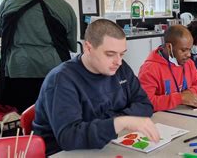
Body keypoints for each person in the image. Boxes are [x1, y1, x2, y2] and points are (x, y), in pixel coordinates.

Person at [33, 19, 160, 155]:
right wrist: (118, 123)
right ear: (88, 48)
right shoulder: (61, 80)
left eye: (122, 54)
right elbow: (69, 137)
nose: (118, 61)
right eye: (110, 54)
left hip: (111, 143)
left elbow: (145, 105)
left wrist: (118, 122)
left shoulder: (121, 68)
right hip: (64, 152)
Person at [0, 0, 77, 113]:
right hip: (52, 69)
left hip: (17, 68)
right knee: (51, 113)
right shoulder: (65, 8)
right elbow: (71, 45)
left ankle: (25, 136)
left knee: (21, 114)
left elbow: (0, 33)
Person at [139, 25, 197, 111]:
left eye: (189, 50)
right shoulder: (150, 69)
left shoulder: (188, 63)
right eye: (183, 50)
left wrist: (189, 94)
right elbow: (144, 103)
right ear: (169, 47)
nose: (189, 55)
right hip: (161, 120)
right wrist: (180, 98)